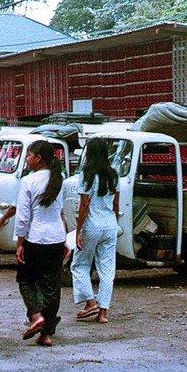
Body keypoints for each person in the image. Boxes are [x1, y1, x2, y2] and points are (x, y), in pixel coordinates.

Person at [15, 140, 67, 347]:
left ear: (38, 158)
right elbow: (60, 211)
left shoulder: (29, 181)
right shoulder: (58, 179)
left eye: (28, 155)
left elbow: (22, 217)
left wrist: (19, 242)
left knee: (26, 280)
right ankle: (46, 334)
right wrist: (64, 237)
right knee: (52, 286)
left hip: (35, 238)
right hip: (55, 237)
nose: (26, 159)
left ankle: (36, 316)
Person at [70, 137, 120, 324]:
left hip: (92, 225)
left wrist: (78, 230)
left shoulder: (87, 174)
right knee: (107, 270)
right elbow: (116, 203)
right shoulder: (114, 175)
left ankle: (90, 302)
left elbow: (84, 205)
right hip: (110, 224)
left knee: (79, 264)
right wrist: (114, 222)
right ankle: (103, 313)